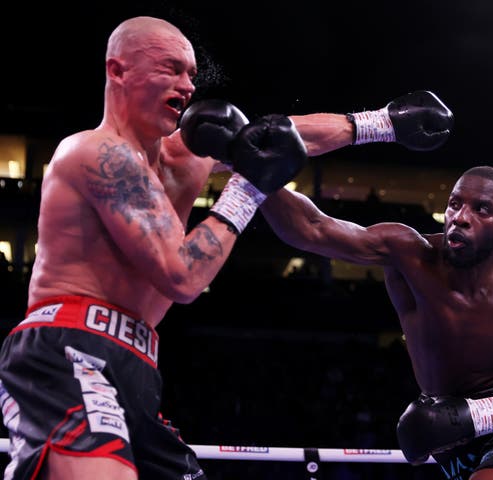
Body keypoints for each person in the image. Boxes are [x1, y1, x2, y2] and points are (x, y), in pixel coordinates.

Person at [179, 93, 493, 478]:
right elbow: (314, 228)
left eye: (480, 209)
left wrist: (483, 414)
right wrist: (252, 166)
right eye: (454, 203)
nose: (460, 217)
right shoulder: (409, 253)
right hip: (449, 434)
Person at [0, 16, 309, 480]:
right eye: (171, 69)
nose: (188, 85)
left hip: (139, 364)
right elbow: (182, 277)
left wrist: (378, 123)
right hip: (70, 347)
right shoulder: (93, 151)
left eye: (191, 73)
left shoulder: (182, 159)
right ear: (117, 71)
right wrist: (246, 191)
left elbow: (281, 134)